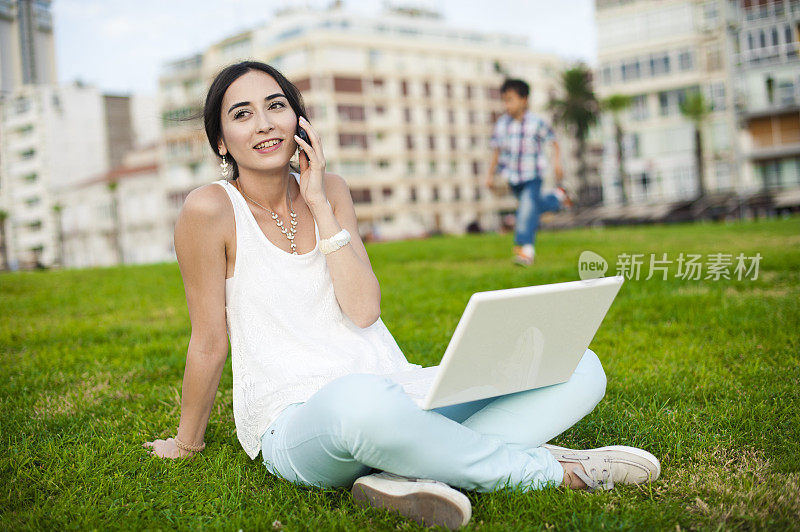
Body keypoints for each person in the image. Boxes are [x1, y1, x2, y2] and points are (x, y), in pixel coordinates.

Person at [143, 61, 660, 530]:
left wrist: (320, 202)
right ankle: (549, 470)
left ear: (300, 122)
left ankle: (403, 474)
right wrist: (187, 443)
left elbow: (364, 310)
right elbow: (209, 339)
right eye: (242, 114)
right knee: (360, 403)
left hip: (395, 391)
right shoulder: (208, 210)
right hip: (298, 418)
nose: (264, 124)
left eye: (276, 106)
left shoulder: (333, 190)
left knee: (579, 365)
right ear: (220, 142)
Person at [486, 78, 572, 267]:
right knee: (531, 208)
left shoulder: (536, 122)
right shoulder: (502, 124)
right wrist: (490, 175)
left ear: (524, 99)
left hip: (533, 175)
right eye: (504, 100)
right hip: (512, 177)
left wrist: (557, 163)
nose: (506, 104)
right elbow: (496, 150)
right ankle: (557, 198)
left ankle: (525, 250)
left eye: (510, 99)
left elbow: (554, 141)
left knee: (525, 211)